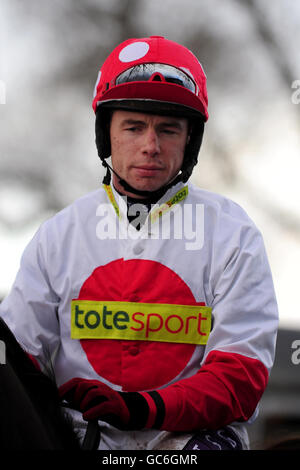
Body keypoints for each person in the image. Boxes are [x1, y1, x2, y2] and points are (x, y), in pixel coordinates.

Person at [0, 36, 278, 450]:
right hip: (77, 439)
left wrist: (140, 408)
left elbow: (239, 379)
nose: (151, 146)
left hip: (190, 442)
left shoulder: (234, 236)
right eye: (133, 127)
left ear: (190, 141)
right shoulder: (57, 237)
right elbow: (17, 366)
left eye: (168, 130)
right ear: (106, 135)